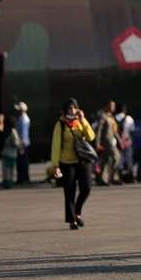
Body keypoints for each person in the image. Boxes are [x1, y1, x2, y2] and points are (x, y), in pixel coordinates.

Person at [51, 98, 96, 230]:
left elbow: (91, 137)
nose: (72, 110)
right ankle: (72, 220)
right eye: (69, 108)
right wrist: (55, 165)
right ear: (65, 110)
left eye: (74, 108)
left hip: (82, 160)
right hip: (67, 163)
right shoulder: (60, 124)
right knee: (69, 192)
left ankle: (77, 211)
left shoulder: (79, 122)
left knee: (86, 188)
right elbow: (55, 145)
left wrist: (83, 120)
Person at [95, 100, 122, 186]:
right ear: (106, 106)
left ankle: (103, 179)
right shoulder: (103, 116)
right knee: (116, 156)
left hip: (112, 140)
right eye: (111, 105)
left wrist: (120, 140)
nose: (113, 107)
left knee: (107, 160)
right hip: (106, 141)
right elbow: (99, 130)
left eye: (113, 106)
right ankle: (112, 177)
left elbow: (115, 130)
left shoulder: (111, 116)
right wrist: (97, 143)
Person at [0, 115, 23, 189]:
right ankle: (9, 183)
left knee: (5, 169)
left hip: (5, 152)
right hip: (12, 153)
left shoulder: (5, 130)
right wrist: (20, 146)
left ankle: (5, 182)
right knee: (11, 169)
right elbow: (16, 142)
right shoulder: (13, 131)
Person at [115, 104, 136, 182]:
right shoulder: (129, 118)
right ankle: (130, 176)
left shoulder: (114, 118)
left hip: (117, 141)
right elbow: (132, 130)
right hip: (127, 141)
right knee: (129, 159)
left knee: (119, 160)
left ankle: (119, 177)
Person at [13, 102, 31, 184]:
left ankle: (22, 178)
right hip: (23, 143)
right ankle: (24, 178)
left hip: (22, 143)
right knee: (23, 161)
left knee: (22, 162)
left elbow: (23, 133)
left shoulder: (24, 120)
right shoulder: (22, 118)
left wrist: (21, 146)